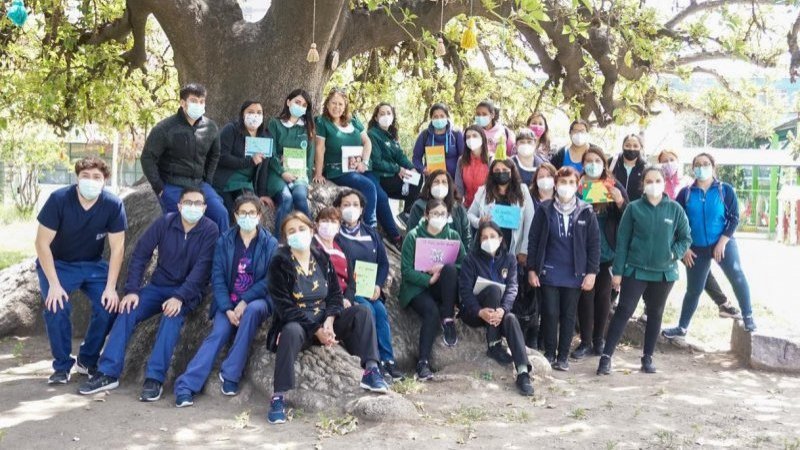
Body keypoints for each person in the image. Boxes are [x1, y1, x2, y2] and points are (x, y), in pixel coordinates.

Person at [79, 187, 219, 401]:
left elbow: (202, 269)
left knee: (171, 317)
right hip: (157, 287)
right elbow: (140, 254)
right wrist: (132, 290)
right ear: (180, 205)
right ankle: (108, 372)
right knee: (127, 309)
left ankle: (154, 378)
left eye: (198, 203)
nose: (193, 207)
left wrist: (180, 297)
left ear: (205, 208)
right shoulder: (165, 222)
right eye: (188, 203)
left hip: (188, 292)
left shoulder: (211, 230)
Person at [266, 212, 389, 424]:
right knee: (291, 330)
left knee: (363, 311)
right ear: (285, 238)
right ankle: (279, 396)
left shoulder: (322, 257)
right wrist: (317, 331)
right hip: (300, 325)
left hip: (324, 320)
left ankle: (371, 369)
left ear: (311, 230)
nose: (298, 234)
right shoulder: (279, 262)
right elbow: (284, 307)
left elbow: (334, 294)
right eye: (291, 231)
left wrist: (330, 321)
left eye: (302, 229)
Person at [173, 194, 278, 407]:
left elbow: (269, 279)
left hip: (257, 300)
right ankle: (185, 386)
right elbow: (218, 277)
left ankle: (231, 374)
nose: (247, 217)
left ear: (259, 215)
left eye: (252, 213)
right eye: (243, 213)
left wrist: (244, 301)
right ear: (235, 215)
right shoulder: (225, 240)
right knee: (218, 333)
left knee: (251, 313)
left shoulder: (270, 243)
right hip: (227, 302)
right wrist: (227, 308)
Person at [34, 157, 127, 384]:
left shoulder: (113, 205)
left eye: (97, 177)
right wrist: (54, 285)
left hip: (93, 265)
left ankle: (87, 360)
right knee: (56, 307)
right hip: (59, 264)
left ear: (104, 180)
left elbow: (117, 249)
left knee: (109, 305)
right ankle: (62, 366)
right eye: (85, 176)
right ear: (77, 178)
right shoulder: (59, 200)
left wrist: (111, 288)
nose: (91, 181)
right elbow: (41, 244)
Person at [598, 167, 692, 375]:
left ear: (664, 182)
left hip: (664, 273)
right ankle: (606, 357)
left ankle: (647, 357)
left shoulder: (675, 209)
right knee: (623, 311)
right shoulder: (633, 209)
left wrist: (673, 254)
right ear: (643, 184)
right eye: (649, 181)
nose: (653, 184)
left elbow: (685, 238)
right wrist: (619, 273)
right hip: (635, 271)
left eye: (657, 180)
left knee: (655, 314)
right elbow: (622, 242)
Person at [662, 153, 756, 339]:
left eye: (706, 164)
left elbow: (734, 217)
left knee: (737, 276)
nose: (701, 167)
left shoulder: (725, 190)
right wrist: (685, 248)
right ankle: (682, 327)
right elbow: (676, 222)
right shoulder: (686, 193)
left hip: (722, 242)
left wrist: (723, 241)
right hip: (695, 248)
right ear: (692, 168)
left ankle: (748, 315)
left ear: (713, 167)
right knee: (694, 289)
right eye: (697, 164)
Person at [526, 167, 600, 371]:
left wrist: (591, 272)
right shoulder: (545, 208)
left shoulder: (586, 210)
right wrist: (532, 269)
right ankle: (549, 353)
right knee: (549, 312)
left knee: (568, 314)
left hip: (575, 272)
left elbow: (594, 244)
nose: (566, 187)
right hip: (548, 271)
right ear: (555, 184)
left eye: (570, 183)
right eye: (562, 182)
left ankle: (563, 356)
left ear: (577, 186)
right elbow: (533, 240)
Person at [314, 89, 402, 247]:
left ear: (345, 105)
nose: (337, 107)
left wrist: (365, 162)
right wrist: (318, 173)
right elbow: (320, 148)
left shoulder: (353, 120)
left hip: (360, 167)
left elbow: (367, 142)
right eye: (333, 103)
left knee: (381, 195)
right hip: (339, 170)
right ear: (327, 104)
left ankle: (395, 237)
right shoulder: (322, 122)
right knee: (368, 186)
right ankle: (370, 230)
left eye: (341, 104)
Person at [333, 189, 404, 381]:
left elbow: (383, 263)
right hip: (349, 291)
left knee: (380, 311)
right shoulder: (335, 235)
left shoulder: (371, 234)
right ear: (338, 209)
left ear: (363, 209)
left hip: (370, 289)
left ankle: (388, 361)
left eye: (355, 204)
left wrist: (378, 285)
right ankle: (374, 362)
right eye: (346, 204)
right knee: (368, 313)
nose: (351, 208)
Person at [141, 83, 229, 232]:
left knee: (221, 214)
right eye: (194, 101)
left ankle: (222, 255)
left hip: (200, 184)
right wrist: (159, 187)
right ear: (183, 103)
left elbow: (215, 155)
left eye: (202, 101)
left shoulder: (210, 127)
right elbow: (147, 157)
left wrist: (208, 181)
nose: (198, 105)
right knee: (177, 222)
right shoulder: (164, 128)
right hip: (172, 185)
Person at [459, 221, 534, 396]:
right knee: (492, 289)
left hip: (499, 313)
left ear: (500, 238)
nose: (488, 240)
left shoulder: (509, 259)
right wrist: (479, 311)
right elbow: (464, 291)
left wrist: (503, 310)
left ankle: (523, 372)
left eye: (492, 236)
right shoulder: (471, 259)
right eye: (484, 237)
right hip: (474, 312)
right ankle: (494, 344)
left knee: (511, 318)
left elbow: (512, 288)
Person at [572, 147, 629, 359]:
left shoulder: (613, 185)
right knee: (585, 297)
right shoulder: (576, 184)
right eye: (589, 160)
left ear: (603, 163)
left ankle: (599, 340)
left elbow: (629, 214)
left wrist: (620, 201)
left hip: (606, 251)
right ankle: (584, 341)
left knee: (604, 296)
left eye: (597, 160)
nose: (593, 164)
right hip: (582, 251)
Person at [400, 200, 466, 380]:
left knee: (451, 269)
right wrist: (428, 279)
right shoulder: (413, 236)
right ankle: (423, 363)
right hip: (417, 288)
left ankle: (448, 317)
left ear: (448, 216)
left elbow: (464, 264)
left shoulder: (453, 235)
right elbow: (406, 271)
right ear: (426, 215)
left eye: (442, 214)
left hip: (442, 287)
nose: (438, 217)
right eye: (435, 214)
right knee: (431, 312)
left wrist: (442, 268)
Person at [515, 162, 558, 350]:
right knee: (532, 298)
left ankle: (546, 340)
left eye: (549, 176)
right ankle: (530, 334)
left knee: (550, 303)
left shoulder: (563, 198)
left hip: (556, 256)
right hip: (532, 254)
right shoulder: (528, 197)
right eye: (540, 176)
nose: (545, 180)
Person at [212, 100, 272, 221]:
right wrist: (249, 161)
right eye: (251, 112)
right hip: (225, 181)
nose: (255, 115)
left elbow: (264, 168)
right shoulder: (231, 129)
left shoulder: (265, 136)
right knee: (228, 213)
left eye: (259, 112)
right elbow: (222, 157)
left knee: (249, 210)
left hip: (246, 183)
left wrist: (261, 194)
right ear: (242, 114)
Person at [266, 89, 314, 237]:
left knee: (300, 197)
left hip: (299, 174)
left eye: (304, 105)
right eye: (297, 102)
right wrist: (282, 172)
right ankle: (278, 242)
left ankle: (310, 238)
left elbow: (309, 156)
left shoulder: (307, 127)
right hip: (276, 173)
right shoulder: (275, 123)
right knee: (286, 199)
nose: (300, 106)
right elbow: (270, 153)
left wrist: (308, 181)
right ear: (288, 102)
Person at [468, 159, 534, 265]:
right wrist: (479, 221)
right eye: (497, 170)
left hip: (513, 250)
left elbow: (529, 222)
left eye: (504, 169)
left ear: (511, 171)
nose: (501, 172)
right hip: (488, 248)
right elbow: (470, 215)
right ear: (492, 173)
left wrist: (524, 250)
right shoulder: (483, 191)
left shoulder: (523, 191)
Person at [367, 102, 421, 222]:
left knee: (418, 178)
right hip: (382, 178)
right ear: (376, 118)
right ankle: (408, 215)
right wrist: (398, 169)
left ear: (393, 116)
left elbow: (400, 156)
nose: (385, 116)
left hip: (393, 174)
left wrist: (411, 167)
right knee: (414, 188)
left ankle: (407, 214)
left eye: (388, 113)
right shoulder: (372, 134)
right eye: (382, 113)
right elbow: (377, 162)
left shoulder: (391, 136)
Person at [407, 169, 471, 249]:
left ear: (449, 186)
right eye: (436, 182)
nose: (440, 185)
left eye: (444, 182)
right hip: (424, 254)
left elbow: (467, 237)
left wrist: (464, 259)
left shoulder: (458, 208)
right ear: (429, 186)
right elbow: (411, 235)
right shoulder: (418, 207)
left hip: (455, 257)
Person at [412, 103, 465, 179]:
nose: (439, 119)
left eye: (442, 116)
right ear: (431, 119)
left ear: (447, 117)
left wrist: (459, 181)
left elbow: (463, 158)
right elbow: (416, 158)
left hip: (453, 181)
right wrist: (422, 169)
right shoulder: (424, 135)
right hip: (432, 180)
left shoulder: (456, 134)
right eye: (435, 117)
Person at [454, 125, 490, 208]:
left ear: (482, 138)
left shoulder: (491, 160)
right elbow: (459, 187)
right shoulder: (461, 160)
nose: (471, 139)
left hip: (486, 207)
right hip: (467, 206)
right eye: (468, 137)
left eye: (474, 136)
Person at [609, 134, 646, 201]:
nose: (631, 149)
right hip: (612, 208)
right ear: (623, 146)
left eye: (635, 146)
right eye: (627, 145)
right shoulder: (612, 162)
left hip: (635, 209)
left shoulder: (645, 167)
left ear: (640, 148)